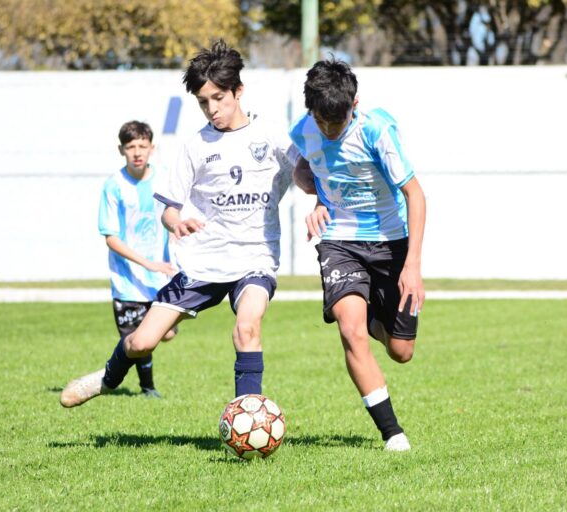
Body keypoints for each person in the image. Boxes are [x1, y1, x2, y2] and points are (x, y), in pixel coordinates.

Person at [60, 40, 294, 408]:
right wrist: (177, 223)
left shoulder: (274, 137)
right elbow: (169, 209)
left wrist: (321, 198)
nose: (212, 109)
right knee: (141, 342)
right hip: (202, 263)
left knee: (247, 328)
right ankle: (105, 380)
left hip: (255, 259)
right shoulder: (195, 146)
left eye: (219, 98)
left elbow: (309, 177)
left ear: (239, 91)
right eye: (204, 102)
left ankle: (249, 417)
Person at [289, 58, 427, 451]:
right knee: (350, 330)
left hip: (391, 241)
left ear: (355, 104)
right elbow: (304, 169)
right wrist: (317, 198)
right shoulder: (303, 131)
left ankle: (370, 316)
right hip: (339, 241)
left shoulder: (376, 131)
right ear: (310, 111)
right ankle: (392, 433)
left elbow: (415, 195)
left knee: (402, 351)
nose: (330, 131)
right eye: (322, 121)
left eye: (339, 121)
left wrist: (413, 266)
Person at [97, 120, 178, 399]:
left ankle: (137, 383)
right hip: (127, 279)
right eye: (131, 147)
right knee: (137, 339)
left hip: (162, 276)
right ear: (122, 150)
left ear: (152, 148)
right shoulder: (114, 186)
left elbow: (175, 216)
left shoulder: (164, 178)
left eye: (142, 146)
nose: (137, 152)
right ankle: (147, 388)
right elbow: (111, 237)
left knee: (166, 334)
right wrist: (147, 263)